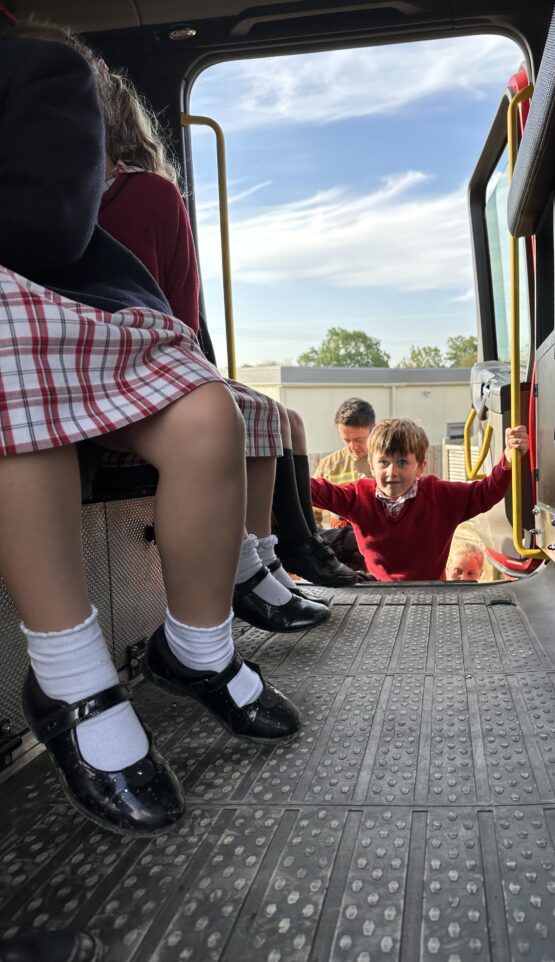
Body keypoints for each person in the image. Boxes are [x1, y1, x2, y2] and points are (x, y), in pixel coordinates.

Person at [0, 13, 299, 836]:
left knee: (210, 417)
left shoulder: (32, 70)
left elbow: (51, 223)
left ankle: (196, 646)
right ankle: (66, 673)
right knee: (10, 367)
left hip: (63, 300)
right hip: (13, 336)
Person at [90, 63, 352, 623]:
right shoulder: (150, 195)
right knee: (240, 411)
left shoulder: (73, 207)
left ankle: (262, 560)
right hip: (130, 374)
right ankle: (251, 565)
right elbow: (181, 316)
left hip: (103, 369)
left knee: (257, 411)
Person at [311, 419, 530, 581]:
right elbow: (316, 491)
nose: (392, 471)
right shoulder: (358, 496)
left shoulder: (439, 495)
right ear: (371, 465)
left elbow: (484, 493)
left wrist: (508, 461)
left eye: (403, 462)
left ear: (420, 467)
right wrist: (281, 464)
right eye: (384, 462)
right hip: (380, 591)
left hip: (430, 592)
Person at [313, 397, 376, 527]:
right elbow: (312, 514)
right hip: (338, 544)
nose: (353, 447)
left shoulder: (387, 464)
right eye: (346, 440)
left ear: (373, 430)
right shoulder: (328, 466)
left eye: (359, 439)